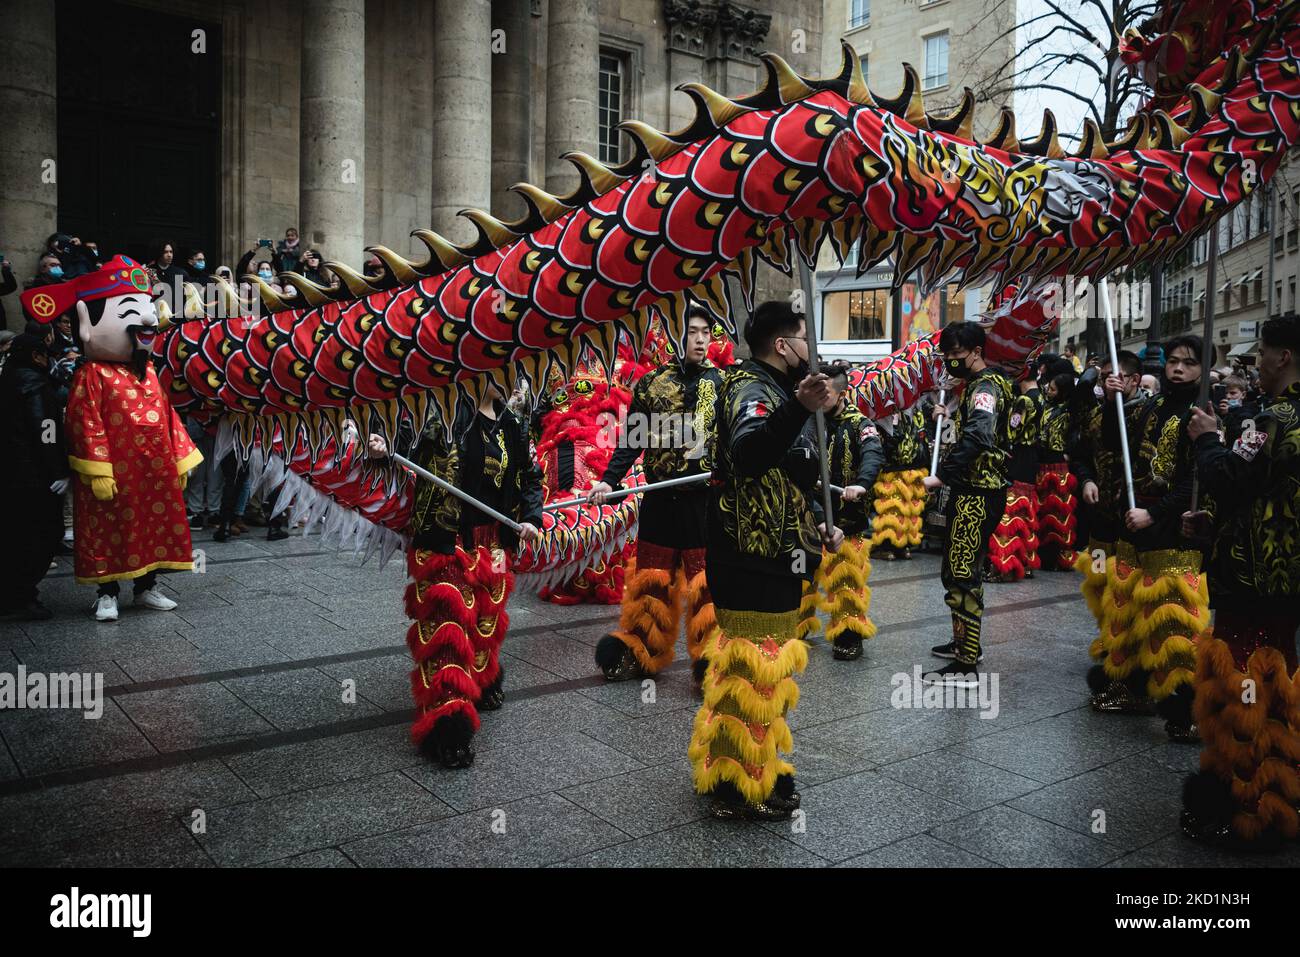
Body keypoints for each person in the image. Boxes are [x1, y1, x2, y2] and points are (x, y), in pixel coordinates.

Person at [689, 300, 839, 820]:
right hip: (751, 554)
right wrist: (798, 406)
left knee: (759, 668)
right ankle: (736, 779)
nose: (809, 348)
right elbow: (752, 454)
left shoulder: (771, 389)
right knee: (750, 667)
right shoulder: (753, 388)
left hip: (776, 549)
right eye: (803, 336)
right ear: (782, 345)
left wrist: (821, 517)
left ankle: (750, 763)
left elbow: (791, 469)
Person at [368, 381, 542, 768]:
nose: (508, 377)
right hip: (448, 540)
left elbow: (531, 476)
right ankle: (446, 724)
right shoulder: (443, 415)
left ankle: (483, 679)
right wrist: (382, 449)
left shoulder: (514, 423)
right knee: (449, 632)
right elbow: (403, 445)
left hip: (495, 540)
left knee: (486, 621)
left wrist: (531, 518)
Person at [19, 256, 202, 622]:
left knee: (152, 529)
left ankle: (147, 587)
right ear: (87, 324)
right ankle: (107, 593)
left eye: (149, 309)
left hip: (153, 472)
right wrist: (97, 468)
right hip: (114, 474)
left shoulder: (148, 370)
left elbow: (167, 415)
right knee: (110, 530)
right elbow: (85, 423)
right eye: (133, 310)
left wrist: (180, 458)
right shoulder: (93, 374)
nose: (149, 320)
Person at [1178, 313, 1300, 846]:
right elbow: (1265, 494)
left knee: (1247, 685)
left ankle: (1246, 808)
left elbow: (1230, 479)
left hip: (1253, 577)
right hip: (1288, 576)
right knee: (1283, 682)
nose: (1257, 364)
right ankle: (1282, 796)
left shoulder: (1270, 420)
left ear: (1284, 357)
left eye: (1263, 353)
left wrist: (1207, 441)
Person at [588, 306, 724, 685]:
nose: (700, 339)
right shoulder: (652, 384)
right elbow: (632, 441)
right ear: (679, 338)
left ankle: (711, 661)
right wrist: (609, 482)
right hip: (660, 501)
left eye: (706, 333)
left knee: (706, 585)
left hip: (702, 501)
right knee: (651, 581)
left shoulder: (725, 384)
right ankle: (641, 651)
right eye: (693, 332)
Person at [1092, 336, 1209, 739]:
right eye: (1173, 361)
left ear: (1203, 369)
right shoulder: (1151, 406)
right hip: (1134, 520)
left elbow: (1196, 480)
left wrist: (1155, 513)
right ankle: (1132, 688)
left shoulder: (1203, 416)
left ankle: (1188, 709)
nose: (1178, 369)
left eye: (1189, 363)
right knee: (1127, 614)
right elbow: (1113, 441)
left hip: (1174, 528)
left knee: (1172, 623)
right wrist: (1113, 403)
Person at [921, 321, 1014, 687]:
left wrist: (942, 474)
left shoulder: (986, 387)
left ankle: (966, 661)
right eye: (947, 355)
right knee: (960, 569)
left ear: (977, 352)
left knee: (962, 573)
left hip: (978, 492)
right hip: (976, 489)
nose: (951, 361)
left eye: (957, 355)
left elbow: (978, 435)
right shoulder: (978, 386)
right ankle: (964, 642)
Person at [795, 366, 885, 660]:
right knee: (802, 575)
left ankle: (849, 635)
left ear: (843, 394)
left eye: (826, 394)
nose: (819, 399)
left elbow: (873, 453)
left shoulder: (861, 424)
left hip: (848, 518)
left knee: (846, 581)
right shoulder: (808, 421)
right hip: (811, 513)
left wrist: (861, 484)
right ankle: (798, 627)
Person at [1073, 351, 1144, 664]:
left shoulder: (1147, 412)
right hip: (1100, 517)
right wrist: (1086, 479)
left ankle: (1128, 643)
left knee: (1128, 584)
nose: (1109, 383)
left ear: (1134, 380)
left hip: (1132, 517)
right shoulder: (1096, 414)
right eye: (1104, 378)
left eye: (1116, 377)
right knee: (1100, 577)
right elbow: (1081, 454)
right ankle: (1107, 634)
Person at [0, 334, 69, 620]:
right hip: (34, 477)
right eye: (44, 354)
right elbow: (47, 431)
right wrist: (58, 471)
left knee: (15, 536)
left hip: (12, 474)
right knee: (39, 536)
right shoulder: (34, 385)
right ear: (36, 356)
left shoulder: (8, 380)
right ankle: (21, 596)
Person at [985, 374, 1042, 582]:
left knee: (1009, 513)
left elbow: (1012, 429)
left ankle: (1005, 567)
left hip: (1017, 457)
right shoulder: (1041, 397)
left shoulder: (1024, 400)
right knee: (1024, 512)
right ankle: (1025, 564)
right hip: (1031, 459)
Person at [870, 398, 930, 560]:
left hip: (903, 469)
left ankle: (894, 547)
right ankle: (896, 547)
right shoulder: (914, 408)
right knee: (896, 510)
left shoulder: (911, 408)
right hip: (905, 468)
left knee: (903, 511)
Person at [1035, 371, 1079, 571]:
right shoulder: (1045, 406)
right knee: (1042, 512)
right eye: (1049, 387)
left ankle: (1057, 556)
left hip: (1059, 465)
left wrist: (1069, 453)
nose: (1049, 391)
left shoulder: (1070, 410)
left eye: (1053, 389)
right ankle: (1042, 554)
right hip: (1041, 463)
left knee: (1058, 515)